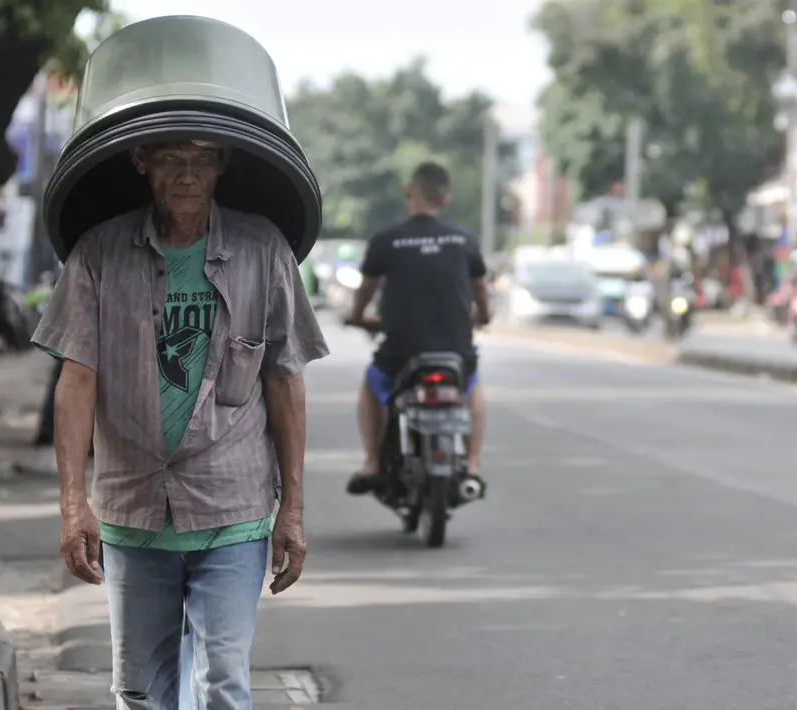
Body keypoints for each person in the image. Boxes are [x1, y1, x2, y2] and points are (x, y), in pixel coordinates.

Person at [31, 139, 329, 710]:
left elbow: (285, 382)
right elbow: (76, 382)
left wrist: (292, 510)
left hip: (232, 508)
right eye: (170, 157)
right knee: (141, 691)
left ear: (223, 166)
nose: (186, 174)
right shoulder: (100, 253)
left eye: (202, 159)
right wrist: (73, 506)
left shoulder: (262, 249)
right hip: (133, 509)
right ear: (141, 162)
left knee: (222, 681)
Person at [343, 162, 490, 493]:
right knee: (472, 384)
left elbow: (365, 291)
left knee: (372, 382)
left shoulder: (387, 240)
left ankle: (372, 461)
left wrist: (356, 316)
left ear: (409, 190)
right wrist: (483, 316)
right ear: (446, 199)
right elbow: (480, 290)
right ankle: (474, 464)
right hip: (455, 350)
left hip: (400, 353)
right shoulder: (465, 241)